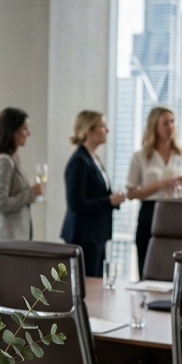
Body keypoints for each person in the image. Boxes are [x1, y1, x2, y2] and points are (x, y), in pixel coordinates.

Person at [126, 106, 182, 275]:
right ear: (154, 127)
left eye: (172, 122)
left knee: (175, 263)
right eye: (165, 123)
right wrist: (160, 184)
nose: (170, 126)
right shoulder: (141, 156)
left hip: (177, 211)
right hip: (150, 212)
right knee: (147, 262)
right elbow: (131, 193)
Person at [60, 111, 125, 277]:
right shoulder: (79, 161)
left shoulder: (93, 158)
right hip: (84, 236)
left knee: (97, 282)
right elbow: (75, 203)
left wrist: (113, 199)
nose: (107, 130)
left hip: (96, 234)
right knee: (87, 284)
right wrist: (109, 201)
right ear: (89, 131)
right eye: (102, 126)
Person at [0, 107, 44, 243]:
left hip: (10, 240)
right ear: (12, 131)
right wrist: (31, 193)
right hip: (3, 240)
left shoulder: (11, 159)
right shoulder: (4, 161)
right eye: (24, 128)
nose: (28, 133)